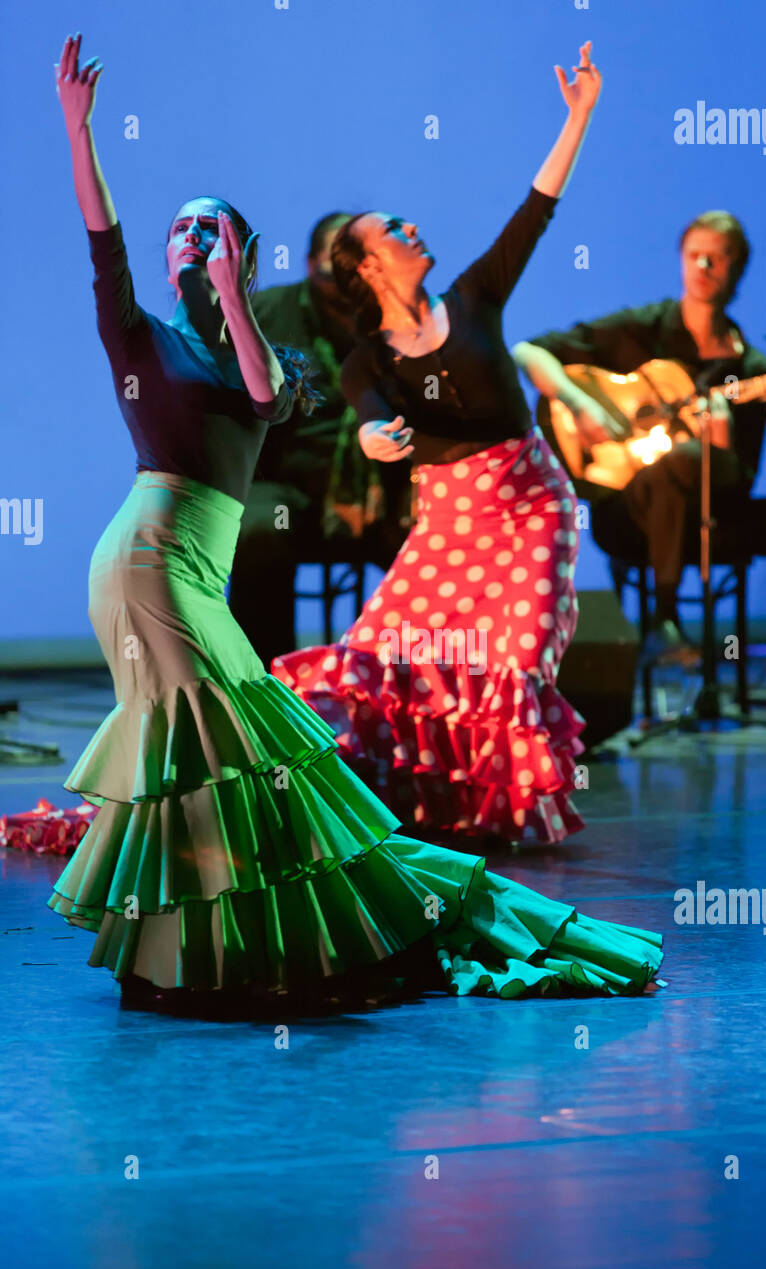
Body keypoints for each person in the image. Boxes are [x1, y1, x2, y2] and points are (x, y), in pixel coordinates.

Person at [46, 34, 662, 1015]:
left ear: (247, 257)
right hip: (145, 557)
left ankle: (201, 950)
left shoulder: (279, 356)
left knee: (227, 755)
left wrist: (235, 298)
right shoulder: (139, 335)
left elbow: (255, 390)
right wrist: (80, 131)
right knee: (216, 749)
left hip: (207, 564)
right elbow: (101, 240)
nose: (191, 240)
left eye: (214, 231)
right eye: (181, 233)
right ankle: (196, 952)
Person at [271, 43, 605, 849]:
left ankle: (496, 816)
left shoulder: (477, 294)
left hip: (530, 506)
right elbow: (371, 419)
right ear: (365, 265)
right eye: (392, 229)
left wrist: (579, 116)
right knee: (381, 660)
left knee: (513, 661)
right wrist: (382, 442)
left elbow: (537, 208)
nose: (410, 227)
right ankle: (403, 815)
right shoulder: (367, 360)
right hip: (450, 523)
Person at [513, 211, 766, 724]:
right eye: (694, 254)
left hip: (717, 518)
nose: (703, 265)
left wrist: (718, 445)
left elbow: (744, 477)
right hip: (629, 516)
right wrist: (582, 404)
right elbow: (529, 351)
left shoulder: (752, 370)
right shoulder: (643, 330)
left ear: (738, 269)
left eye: (718, 257)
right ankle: (664, 618)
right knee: (678, 458)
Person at [229, 214, 414, 665]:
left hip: (381, 489)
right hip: (288, 487)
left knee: (442, 533)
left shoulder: (400, 316)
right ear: (311, 265)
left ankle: (424, 694)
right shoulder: (267, 315)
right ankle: (267, 687)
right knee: (259, 530)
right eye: (337, 267)